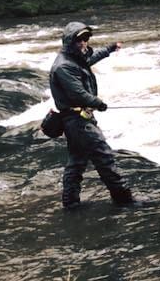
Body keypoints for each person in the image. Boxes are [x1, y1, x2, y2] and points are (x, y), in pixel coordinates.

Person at [49, 21, 134, 209]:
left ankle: (70, 204)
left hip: (77, 120)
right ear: (69, 41)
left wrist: (110, 49)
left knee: (77, 162)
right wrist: (99, 103)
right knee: (104, 157)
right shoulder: (64, 66)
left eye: (86, 39)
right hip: (77, 121)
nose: (84, 43)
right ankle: (124, 200)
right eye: (79, 40)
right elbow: (77, 93)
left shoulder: (74, 60)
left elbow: (91, 59)